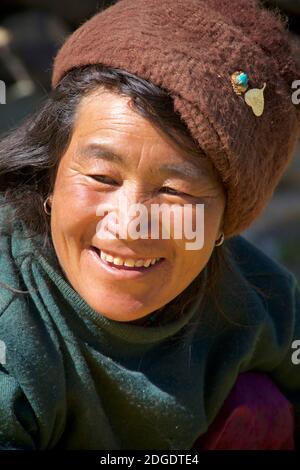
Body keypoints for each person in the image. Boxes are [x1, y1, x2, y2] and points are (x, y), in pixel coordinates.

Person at [0, 0, 299, 450]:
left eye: (175, 192)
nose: (129, 226)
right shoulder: (14, 328)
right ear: (51, 172)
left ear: (228, 219)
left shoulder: (258, 298)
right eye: (102, 177)